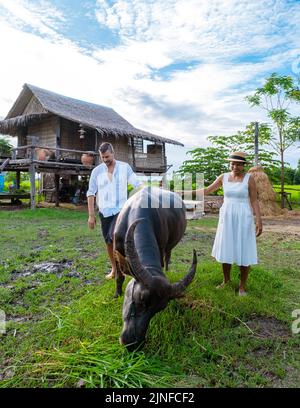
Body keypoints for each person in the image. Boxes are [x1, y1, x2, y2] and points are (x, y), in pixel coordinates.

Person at [177, 151, 263, 296]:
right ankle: (226, 281)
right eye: (232, 163)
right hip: (227, 216)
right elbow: (206, 190)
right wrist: (184, 192)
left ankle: (242, 286)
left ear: (243, 165)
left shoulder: (249, 179)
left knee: (244, 248)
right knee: (226, 247)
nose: (235, 166)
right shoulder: (223, 177)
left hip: (244, 216)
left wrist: (259, 220)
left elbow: (254, 200)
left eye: (238, 164)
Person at [86, 142, 142, 280]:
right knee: (108, 241)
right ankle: (115, 269)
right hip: (104, 212)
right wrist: (91, 216)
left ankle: (128, 267)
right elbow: (91, 193)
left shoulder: (125, 168)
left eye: (107, 157)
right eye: (102, 157)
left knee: (117, 237)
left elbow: (137, 184)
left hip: (121, 210)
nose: (105, 160)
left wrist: (145, 191)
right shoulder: (97, 171)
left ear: (113, 153)